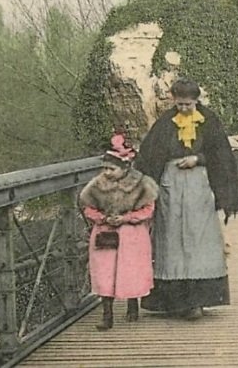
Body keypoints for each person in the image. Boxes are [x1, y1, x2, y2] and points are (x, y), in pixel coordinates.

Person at [135, 78, 238, 319]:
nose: (183, 108)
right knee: (171, 240)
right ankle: (173, 302)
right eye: (180, 104)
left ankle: (198, 301)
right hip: (170, 188)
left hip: (199, 188)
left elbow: (221, 154)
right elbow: (149, 156)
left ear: (196, 100)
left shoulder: (209, 121)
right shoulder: (164, 124)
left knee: (199, 239)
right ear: (173, 100)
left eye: (188, 104)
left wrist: (198, 158)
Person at [79, 134, 159, 330]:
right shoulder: (97, 185)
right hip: (105, 233)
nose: (106, 173)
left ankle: (133, 304)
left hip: (131, 233)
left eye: (111, 169)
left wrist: (127, 218)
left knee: (130, 269)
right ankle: (107, 314)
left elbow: (148, 209)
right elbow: (88, 207)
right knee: (105, 272)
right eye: (104, 168)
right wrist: (102, 218)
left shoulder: (141, 184)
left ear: (125, 167)